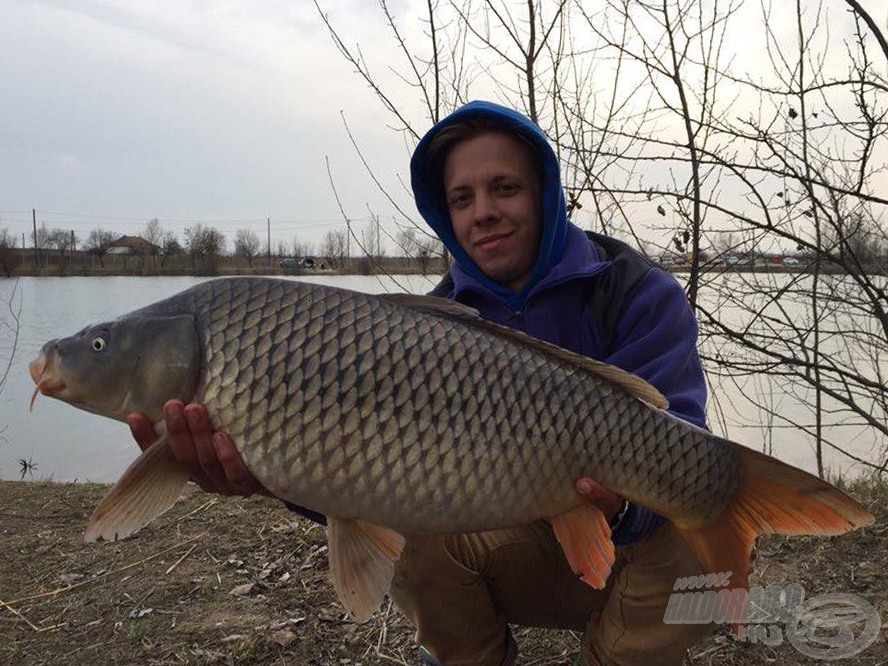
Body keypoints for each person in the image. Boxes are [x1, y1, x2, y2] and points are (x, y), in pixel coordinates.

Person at [129, 101, 715, 665]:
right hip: (519, 558)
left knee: (703, 514)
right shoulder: (424, 328)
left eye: (504, 188)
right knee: (417, 532)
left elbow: (679, 439)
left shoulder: (637, 293)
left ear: (547, 194)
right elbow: (371, 479)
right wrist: (269, 473)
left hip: (635, 560)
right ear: (446, 215)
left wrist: (619, 507)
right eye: (462, 198)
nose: (482, 211)